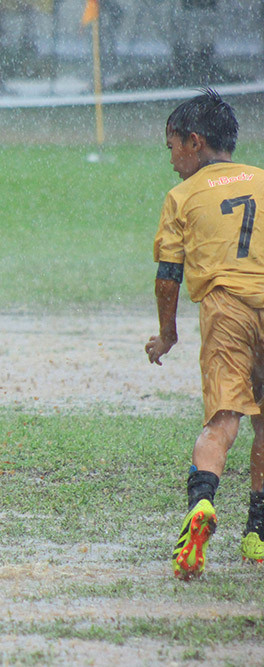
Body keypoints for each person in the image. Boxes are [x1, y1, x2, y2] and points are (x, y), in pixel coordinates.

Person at [146, 88, 264, 579]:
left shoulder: (183, 196)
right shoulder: (262, 180)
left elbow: (167, 275)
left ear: (195, 143)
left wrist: (167, 334)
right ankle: (257, 532)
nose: (172, 160)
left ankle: (202, 506)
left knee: (223, 421)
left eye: (172, 147)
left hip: (227, 308)